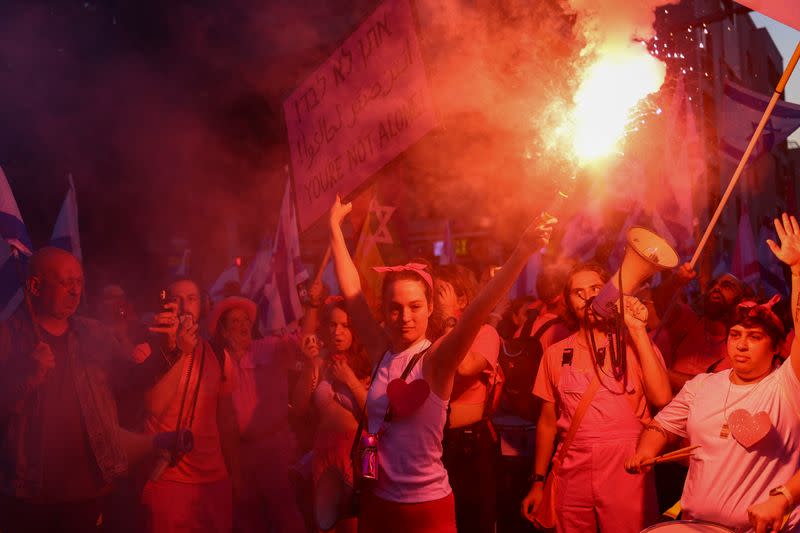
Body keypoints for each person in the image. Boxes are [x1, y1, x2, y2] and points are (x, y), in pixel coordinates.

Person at [329, 195, 555, 533]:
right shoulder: (382, 352)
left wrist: (522, 251)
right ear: (384, 311)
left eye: (415, 306)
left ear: (430, 307)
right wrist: (334, 227)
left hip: (426, 509)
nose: (405, 316)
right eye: (395, 307)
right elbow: (351, 290)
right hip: (376, 503)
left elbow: (480, 307)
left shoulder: (436, 359)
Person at [625, 213, 800, 532]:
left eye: (755, 337)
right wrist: (645, 451)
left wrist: (798, 270)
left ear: (776, 348)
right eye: (736, 335)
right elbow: (661, 426)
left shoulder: (787, 384)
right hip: (696, 525)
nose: (742, 345)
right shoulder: (702, 386)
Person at [0, 247, 183, 532]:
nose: (75, 292)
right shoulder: (8, 337)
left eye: (79, 282)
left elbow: (130, 382)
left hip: (89, 489)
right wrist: (28, 377)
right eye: (64, 283)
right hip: (29, 494)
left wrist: (170, 348)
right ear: (35, 286)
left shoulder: (94, 333)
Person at [520, 262, 672, 533]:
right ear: (567, 301)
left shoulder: (635, 343)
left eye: (596, 289)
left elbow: (662, 397)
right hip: (572, 470)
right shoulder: (555, 354)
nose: (588, 297)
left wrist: (637, 330)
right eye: (578, 292)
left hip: (627, 467)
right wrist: (538, 482)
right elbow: (546, 423)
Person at [140, 278, 239, 533]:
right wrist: (182, 353)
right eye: (177, 299)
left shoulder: (219, 355)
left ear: (204, 307)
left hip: (214, 483)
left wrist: (234, 475)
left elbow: (226, 421)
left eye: (192, 299)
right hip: (167, 481)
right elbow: (154, 406)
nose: (184, 306)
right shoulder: (145, 351)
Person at [210, 295, 306, 533]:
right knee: (246, 521)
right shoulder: (216, 362)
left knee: (287, 520)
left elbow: (300, 343)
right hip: (236, 456)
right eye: (235, 322)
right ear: (222, 332)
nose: (243, 326)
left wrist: (312, 307)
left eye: (246, 320)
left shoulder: (268, 347)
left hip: (273, 451)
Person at [293, 297, 372, 533]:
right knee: (325, 526)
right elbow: (298, 407)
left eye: (345, 326)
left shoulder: (369, 361)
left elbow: (376, 416)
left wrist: (350, 379)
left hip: (361, 451)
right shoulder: (318, 360)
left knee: (358, 524)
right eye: (333, 325)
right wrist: (309, 367)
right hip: (325, 450)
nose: (338, 332)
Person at [434, 264, 501, 533]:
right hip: (434, 442)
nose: (435, 301)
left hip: (470, 445)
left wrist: (450, 318)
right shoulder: (429, 337)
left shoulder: (485, 333)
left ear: (461, 299)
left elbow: (463, 366)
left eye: (441, 293)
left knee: (474, 522)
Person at [654, 266, 752, 391]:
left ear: (742, 299)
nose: (716, 288)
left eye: (727, 286)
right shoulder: (689, 320)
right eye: (713, 284)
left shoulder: (740, 344)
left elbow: (712, 387)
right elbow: (661, 302)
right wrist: (676, 280)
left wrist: (657, 372)